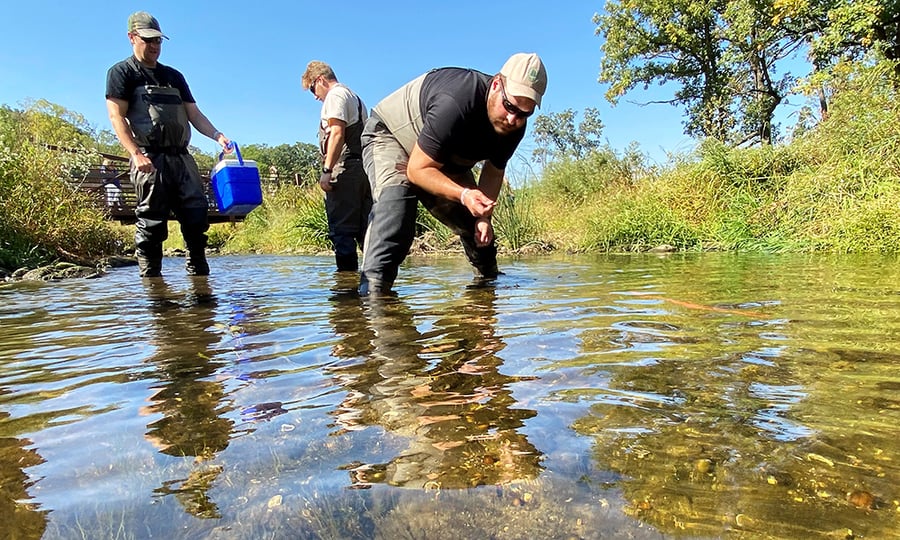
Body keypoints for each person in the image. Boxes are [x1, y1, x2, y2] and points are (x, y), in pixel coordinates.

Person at [358, 53, 547, 295]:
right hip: (392, 135)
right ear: (497, 84)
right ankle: (372, 297)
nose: (513, 119)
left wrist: (483, 217)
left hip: (440, 156)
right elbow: (417, 170)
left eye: (524, 113)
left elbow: (493, 171)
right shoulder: (457, 99)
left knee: (477, 228)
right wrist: (465, 194)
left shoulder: (514, 125)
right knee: (397, 207)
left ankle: (486, 292)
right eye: (510, 106)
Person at [105, 11, 232, 278]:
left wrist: (218, 135)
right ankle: (154, 289)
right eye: (148, 40)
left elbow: (194, 114)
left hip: (182, 159)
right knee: (152, 224)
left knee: (197, 218)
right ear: (131, 38)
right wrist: (136, 154)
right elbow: (117, 117)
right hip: (149, 158)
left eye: (158, 41)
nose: (154, 46)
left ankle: (200, 285)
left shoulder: (174, 76)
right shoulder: (122, 73)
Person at [301, 61, 373, 272]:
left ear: (320, 80)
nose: (315, 96)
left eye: (313, 89)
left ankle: (346, 294)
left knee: (341, 233)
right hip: (364, 170)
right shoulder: (356, 98)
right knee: (365, 232)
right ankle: (374, 288)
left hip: (345, 170)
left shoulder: (335, 96)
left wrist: (327, 170)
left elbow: (337, 133)